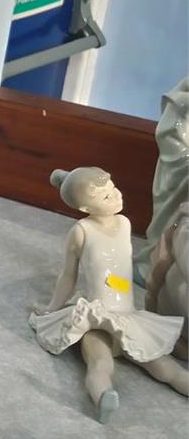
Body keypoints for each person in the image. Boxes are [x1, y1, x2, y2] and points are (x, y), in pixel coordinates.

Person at [30, 167, 187, 424]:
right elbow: (68, 275)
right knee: (100, 363)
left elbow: (120, 272)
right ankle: (104, 397)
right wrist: (52, 307)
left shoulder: (124, 223)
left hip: (128, 315)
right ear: (83, 208)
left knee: (164, 366)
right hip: (97, 315)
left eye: (113, 188)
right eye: (105, 197)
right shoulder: (81, 231)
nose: (115, 196)